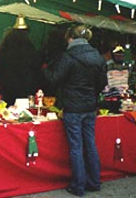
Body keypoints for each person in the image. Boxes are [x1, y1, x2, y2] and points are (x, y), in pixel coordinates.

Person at [43, 24, 107, 196]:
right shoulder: (98, 57)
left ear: (70, 38)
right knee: (90, 144)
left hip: (73, 107)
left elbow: (54, 79)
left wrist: (46, 69)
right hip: (90, 106)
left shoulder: (68, 56)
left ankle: (78, 186)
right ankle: (94, 182)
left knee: (76, 147)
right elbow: (102, 83)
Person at [0, 15, 43, 106]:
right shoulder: (29, 48)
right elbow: (36, 66)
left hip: (8, 89)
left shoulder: (4, 49)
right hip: (26, 89)